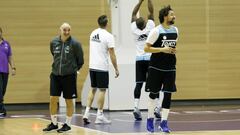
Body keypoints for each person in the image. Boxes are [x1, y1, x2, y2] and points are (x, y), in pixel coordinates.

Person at [43, 23, 84, 133]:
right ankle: (54, 123)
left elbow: (80, 60)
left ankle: (68, 124)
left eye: (68, 30)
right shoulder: (53, 42)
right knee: (52, 99)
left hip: (69, 76)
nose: (66, 32)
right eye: (64, 30)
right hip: (55, 75)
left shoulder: (75, 44)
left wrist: (73, 70)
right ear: (60, 30)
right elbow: (54, 55)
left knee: (69, 101)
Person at [144, 5, 178, 133]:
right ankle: (150, 120)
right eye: (171, 14)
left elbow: (172, 46)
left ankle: (164, 123)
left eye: (173, 14)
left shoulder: (175, 30)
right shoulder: (156, 31)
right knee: (153, 94)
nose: (174, 16)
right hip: (156, 67)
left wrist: (172, 50)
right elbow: (146, 48)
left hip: (170, 67)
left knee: (168, 95)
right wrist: (162, 49)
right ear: (165, 17)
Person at [83, 15, 119, 125]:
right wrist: (116, 68)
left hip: (92, 66)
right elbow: (112, 54)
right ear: (107, 23)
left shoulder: (93, 33)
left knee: (93, 89)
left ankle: (86, 113)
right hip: (101, 67)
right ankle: (99, 115)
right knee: (102, 90)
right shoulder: (108, 36)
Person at [131, 0, 163, 120]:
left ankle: (135, 107)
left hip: (139, 59)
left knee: (138, 84)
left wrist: (139, 2)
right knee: (156, 83)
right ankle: (157, 108)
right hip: (150, 59)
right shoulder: (150, 26)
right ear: (145, 23)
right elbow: (151, 11)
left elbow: (133, 14)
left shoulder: (134, 30)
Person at [0, 27, 16, 117]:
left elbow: (10, 57)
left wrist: (13, 68)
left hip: (5, 71)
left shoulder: (6, 44)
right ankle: (2, 109)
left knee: (3, 91)